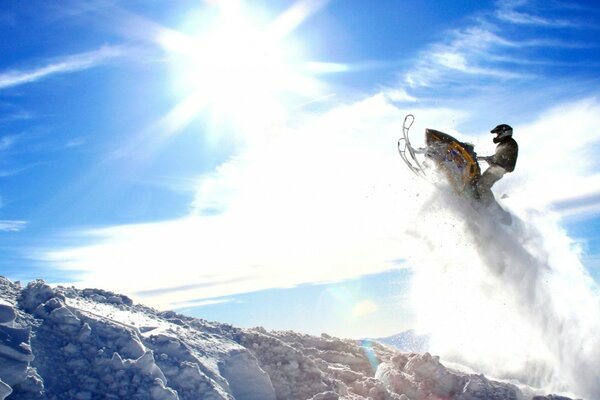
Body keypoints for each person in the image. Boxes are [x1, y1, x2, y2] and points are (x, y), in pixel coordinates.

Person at [476, 124, 518, 205]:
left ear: (504, 132)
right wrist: (486, 158)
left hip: (498, 168)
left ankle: (489, 207)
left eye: (498, 134)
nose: (497, 136)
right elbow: (500, 156)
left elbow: (503, 157)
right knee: (480, 183)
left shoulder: (509, 143)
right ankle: (480, 200)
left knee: (481, 185)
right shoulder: (506, 143)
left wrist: (491, 159)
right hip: (498, 168)